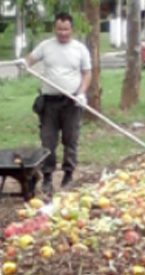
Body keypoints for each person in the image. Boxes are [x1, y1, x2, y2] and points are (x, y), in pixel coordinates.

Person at [16, 12, 92, 194]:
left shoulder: (79, 49)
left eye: (66, 29)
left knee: (71, 139)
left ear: (72, 29)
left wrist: (81, 93)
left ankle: (68, 175)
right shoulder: (46, 46)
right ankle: (48, 177)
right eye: (59, 29)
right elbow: (29, 60)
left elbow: (87, 73)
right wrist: (23, 64)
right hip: (49, 102)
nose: (63, 33)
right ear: (54, 28)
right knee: (48, 140)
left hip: (72, 101)